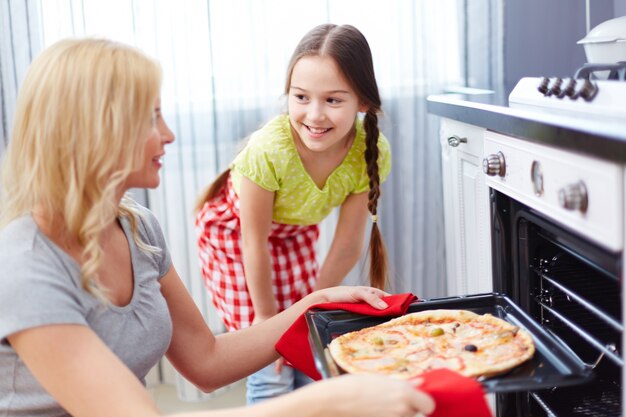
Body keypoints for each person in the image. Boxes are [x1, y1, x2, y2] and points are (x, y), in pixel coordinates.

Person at [0, 38, 435, 417]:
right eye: (152, 117)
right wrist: (327, 403)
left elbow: (207, 362)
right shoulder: (25, 265)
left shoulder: (138, 229)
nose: (168, 134)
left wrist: (317, 302)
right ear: (96, 131)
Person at [195, 23, 392, 404]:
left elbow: (348, 244)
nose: (314, 115)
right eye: (301, 97)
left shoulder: (371, 150)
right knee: (270, 363)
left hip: (294, 233)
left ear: (362, 102)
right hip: (236, 240)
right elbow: (253, 243)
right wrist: (269, 323)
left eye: (333, 100)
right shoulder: (269, 149)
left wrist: (313, 307)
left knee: (307, 347)